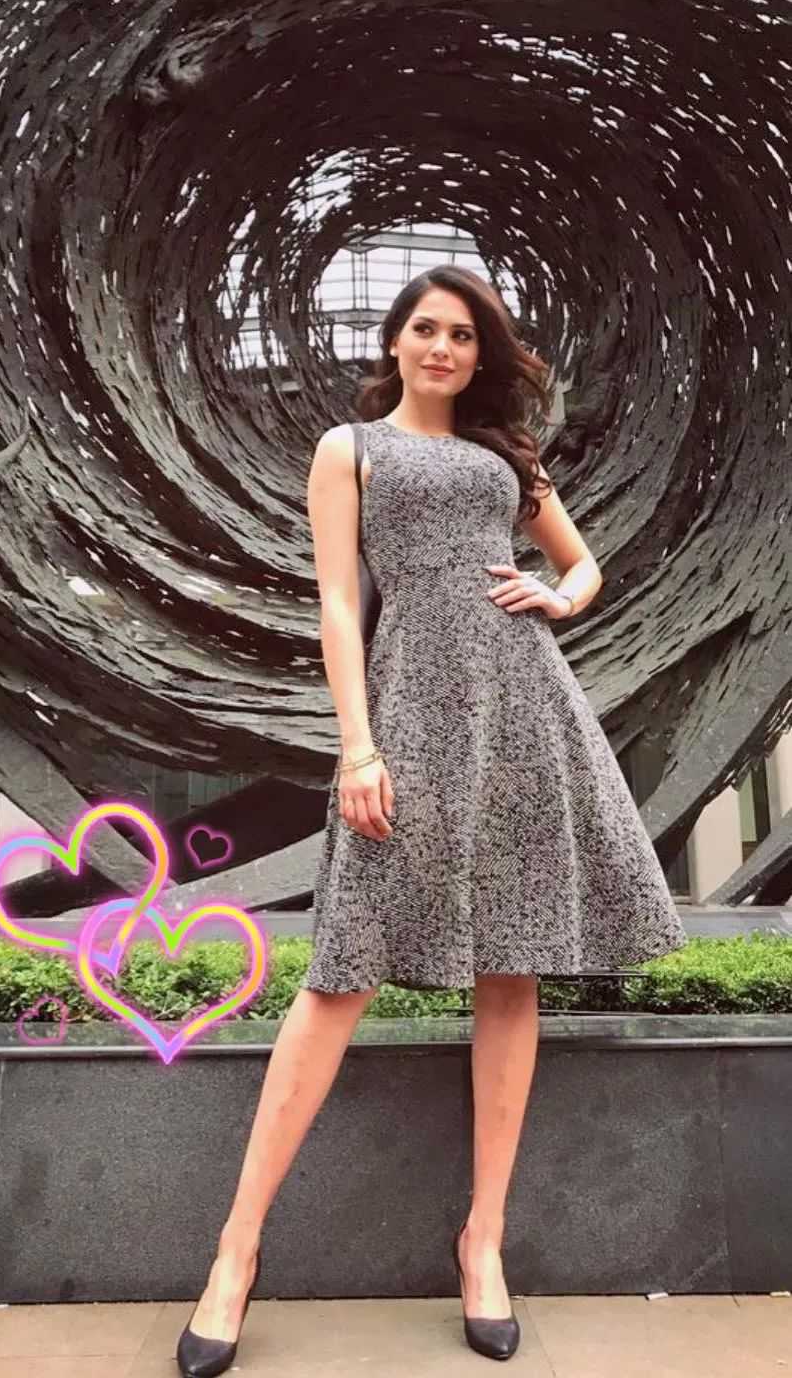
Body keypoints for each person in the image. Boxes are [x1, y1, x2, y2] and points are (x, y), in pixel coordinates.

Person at [176, 265, 687, 1375]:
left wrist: (558, 595)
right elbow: (336, 601)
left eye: (462, 334)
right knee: (338, 978)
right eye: (426, 328)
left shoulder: (508, 458)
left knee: (512, 967)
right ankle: (235, 1249)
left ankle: (482, 1243)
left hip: (524, 710)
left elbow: (582, 564)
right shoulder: (349, 449)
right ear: (396, 340)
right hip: (407, 714)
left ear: (477, 352)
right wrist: (357, 746)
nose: (444, 347)